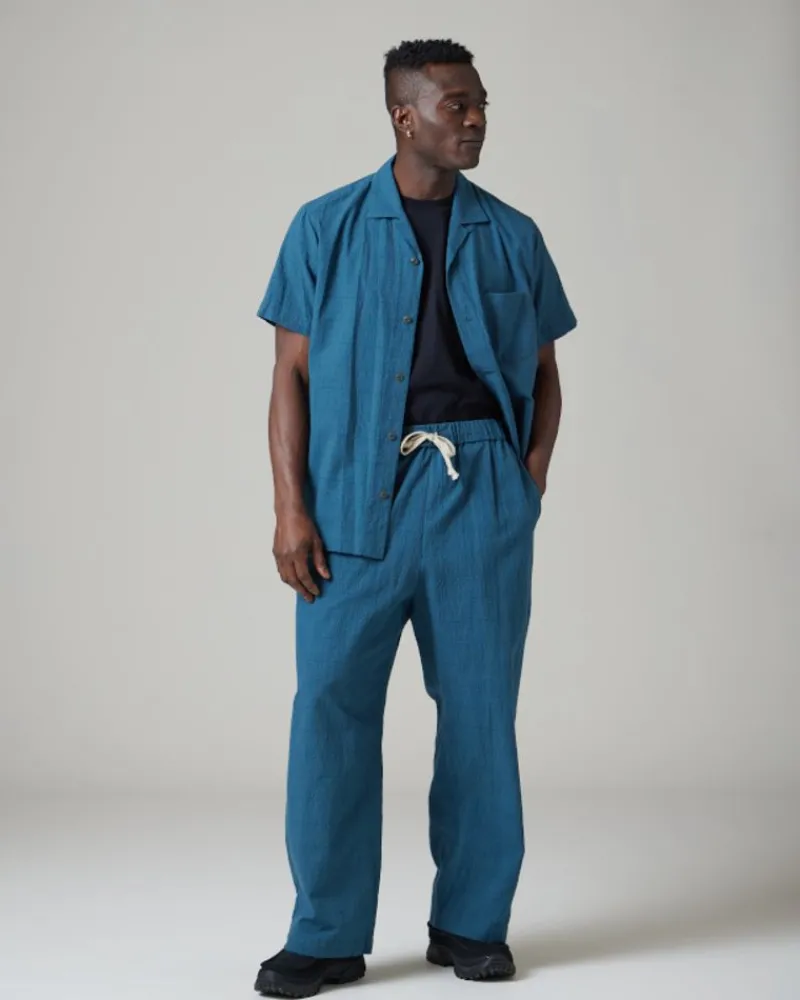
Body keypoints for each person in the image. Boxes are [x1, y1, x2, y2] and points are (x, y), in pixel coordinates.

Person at [252, 37, 577, 999]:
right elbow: (289, 376)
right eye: (456, 105)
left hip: (480, 497)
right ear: (404, 115)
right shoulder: (325, 226)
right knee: (330, 712)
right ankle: (326, 935)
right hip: (353, 497)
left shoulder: (513, 234)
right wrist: (290, 508)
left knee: (480, 715)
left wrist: (526, 483)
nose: (475, 120)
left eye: (481, 105)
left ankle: (472, 923)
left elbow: (547, 374)